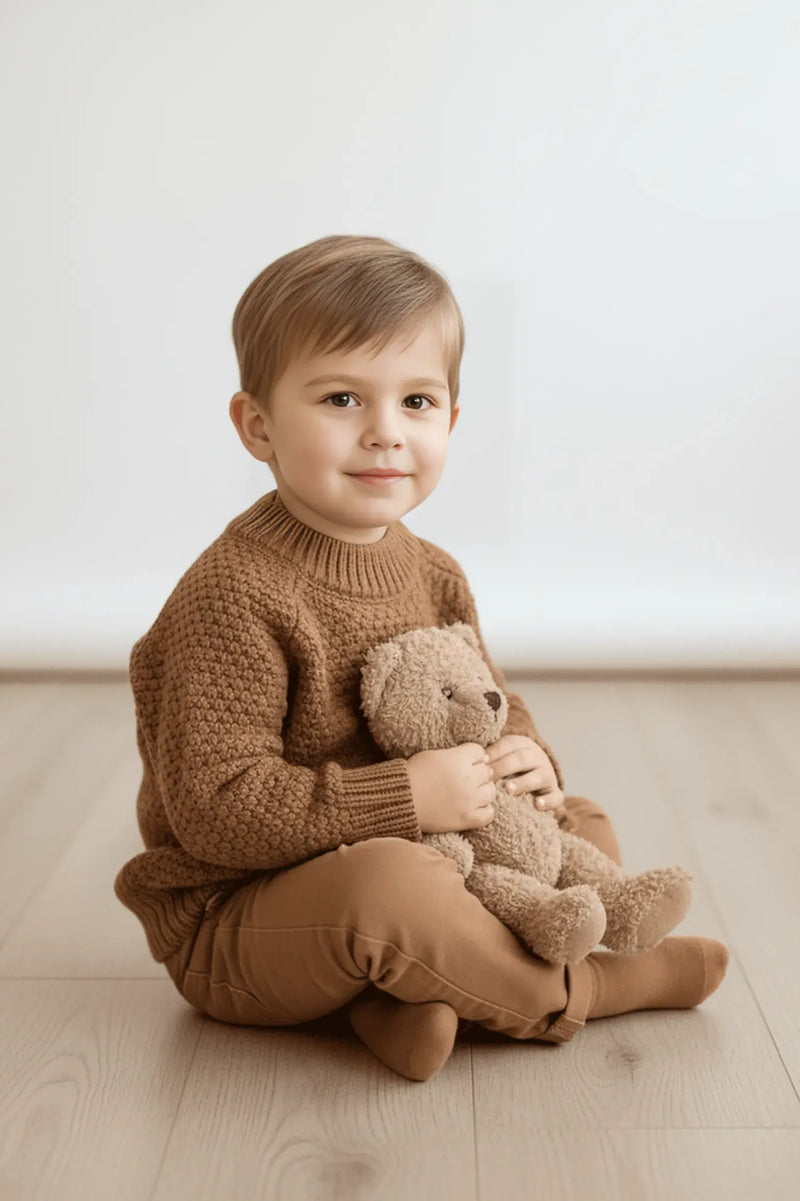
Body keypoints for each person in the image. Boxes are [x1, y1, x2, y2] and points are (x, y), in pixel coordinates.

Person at [114, 234, 728, 1083]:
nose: (383, 434)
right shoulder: (231, 596)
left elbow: (487, 704)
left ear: (451, 418)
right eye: (340, 398)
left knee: (575, 823)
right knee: (391, 890)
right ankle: (601, 984)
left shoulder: (433, 572)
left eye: (416, 401)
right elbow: (219, 810)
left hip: (434, 864)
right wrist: (405, 794)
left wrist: (526, 761)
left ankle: (397, 1000)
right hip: (244, 918)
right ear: (258, 424)